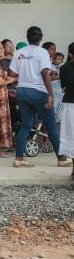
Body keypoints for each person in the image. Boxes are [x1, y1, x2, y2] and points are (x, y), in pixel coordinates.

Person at [9, 27, 72, 168]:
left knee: (26, 124)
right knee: (51, 125)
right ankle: (61, 158)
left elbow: (12, 74)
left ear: (27, 37)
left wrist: (26, 73)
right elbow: (45, 73)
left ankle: (19, 158)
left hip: (22, 91)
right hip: (38, 92)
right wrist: (50, 94)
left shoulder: (19, 52)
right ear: (40, 38)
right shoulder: (42, 52)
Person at [58, 42, 74, 180]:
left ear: (70, 54)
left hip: (70, 104)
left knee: (71, 136)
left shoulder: (64, 68)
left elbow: (63, 86)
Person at [51, 51, 65, 125]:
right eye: (57, 59)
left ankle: (58, 118)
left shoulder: (62, 67)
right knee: (54, 106)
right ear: (53, 59)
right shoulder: (49, 66)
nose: (59, 61)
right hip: (53, 89)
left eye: (61, 59)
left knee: (60, 106)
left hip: (60, 90)